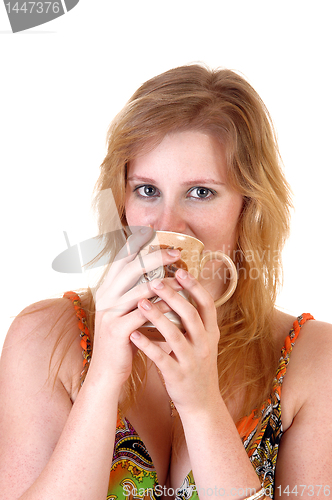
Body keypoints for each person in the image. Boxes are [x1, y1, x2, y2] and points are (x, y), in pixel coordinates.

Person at [0, 64, 331, 500]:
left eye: (201, 192)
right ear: (122, 203)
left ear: (247, 208)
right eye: (147, 190)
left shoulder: (315, 360)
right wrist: (101, 380)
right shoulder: (43, 338)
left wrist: (202, 405)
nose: (166, 224)